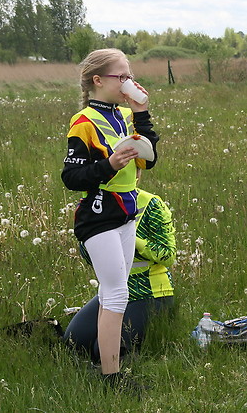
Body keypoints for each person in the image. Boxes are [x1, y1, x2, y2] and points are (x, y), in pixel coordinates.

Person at [61, 48, 158, 389]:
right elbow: (71, 178)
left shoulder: (125, 115)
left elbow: (149, 159)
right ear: (98, 80)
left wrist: (142, 113)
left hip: (126, 214)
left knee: (112, 295)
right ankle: (112, 378)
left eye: (130, 76)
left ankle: (107, 367)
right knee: (117, 294)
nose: (128, 82)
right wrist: (109, 165)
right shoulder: (83, 122)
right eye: (122, 77)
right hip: (98, 216)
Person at [64, 177, 176, 366]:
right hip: (111, 291)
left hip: (150, 293)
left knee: (104, 351)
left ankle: (127, 368)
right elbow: (91, 258)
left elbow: (168, 255)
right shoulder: (93, 204)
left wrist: (130, 239)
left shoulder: (151, 204)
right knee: (74, 342)